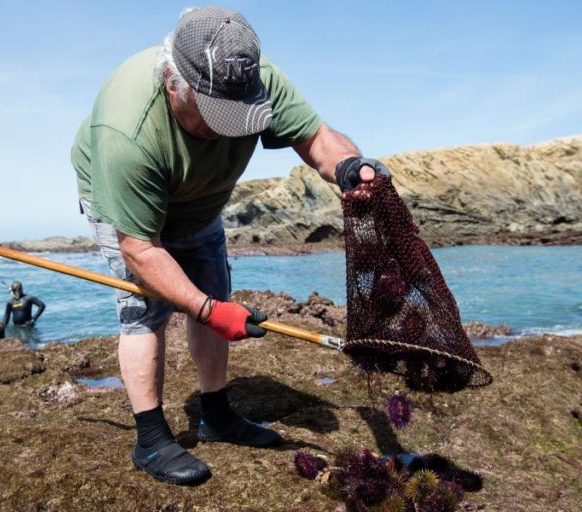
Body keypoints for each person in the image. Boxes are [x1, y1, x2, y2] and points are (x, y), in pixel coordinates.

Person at [70, 6, 390, 485]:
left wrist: (347, 166)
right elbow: (140, 249)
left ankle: (216, 415)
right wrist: (206, 310)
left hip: (202, 205)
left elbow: (317, 138)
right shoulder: (126, 131)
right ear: (173, 83)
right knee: (144, 312)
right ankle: (151, 439)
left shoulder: (251, 78)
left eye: (238, 115)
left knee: (215, 291)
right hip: (129, 211)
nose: (227, 129)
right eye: (215, 114)